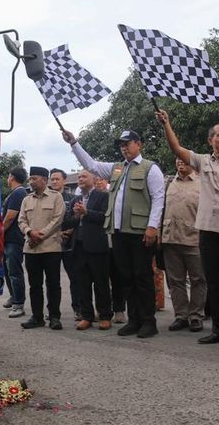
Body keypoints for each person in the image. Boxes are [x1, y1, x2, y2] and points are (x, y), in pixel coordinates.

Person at [155, 109, 219, 350]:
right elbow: (176, 148)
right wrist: (166, 123)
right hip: (207, 233)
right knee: (216, 283)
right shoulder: (203, 161)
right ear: (210, 140)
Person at [62, 129, 165, 338]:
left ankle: (148, 321)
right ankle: (134, 320)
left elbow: (158, 198)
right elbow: (91, 165)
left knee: (142, 277)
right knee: (126, 278)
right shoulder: (117, 168)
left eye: (128, 143)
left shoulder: (150, 168)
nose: (124, 148)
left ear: (139, 144)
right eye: (121, 145)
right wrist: (73, 143)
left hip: (139, 232)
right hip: (118, 232)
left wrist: (152, 227)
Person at [62, 170, 113, 331]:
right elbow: (67, 222)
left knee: (101, 283)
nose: (80, 179)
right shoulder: (75, 199)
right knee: (82, 283)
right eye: (79, 177)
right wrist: (77, 216)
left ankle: (105, 316)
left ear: (94, 179)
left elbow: (106, 218)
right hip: (78, 246)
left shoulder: (103, 196)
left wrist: (86, 213)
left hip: (97, 246)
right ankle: (86, 316)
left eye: (84, 176)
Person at [160, 158, 206, 332]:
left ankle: (196, 316)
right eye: (178, 160)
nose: (180, 162)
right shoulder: (168, 183)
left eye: (184, 160)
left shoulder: (203, 183)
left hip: (195, 239)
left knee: (198, 279)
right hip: (170, 239)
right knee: (175, 281)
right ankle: (181, 315)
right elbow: (159, 209)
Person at [18, 166, 66, 330]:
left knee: (53, 284)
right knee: (35, 285)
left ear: (44, 180)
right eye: (30, 179)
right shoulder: (26, 199)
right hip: (31, 249)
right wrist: (30, 232)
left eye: (34, 179)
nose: (31, 181)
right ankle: (37, 317)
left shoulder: (56, 197)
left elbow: (57, 220)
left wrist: (40, 236)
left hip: (50, 248)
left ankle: (54, 317)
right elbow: (21, 220)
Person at [51, 168, 81, 320]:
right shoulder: (47, 198)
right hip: (51, 242)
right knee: (52, 280)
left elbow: (77, 218)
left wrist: (69, 231)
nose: (54, 181)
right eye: (52, 179)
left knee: (75, 278)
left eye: (57, 179)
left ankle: (78, 309)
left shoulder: (73, 198)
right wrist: (57, 233)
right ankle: (52, 312)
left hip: (70, 244)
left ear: (64, 180)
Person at [1, 167, 28, 318]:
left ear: (11, 177)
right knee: (7, 270)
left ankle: (19, 304)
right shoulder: (15, 193)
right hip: (8, 239)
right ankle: (13, 297)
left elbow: (10, 216)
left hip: (14, 239)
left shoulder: (19, 193)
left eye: (8, 176)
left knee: (14, 271)